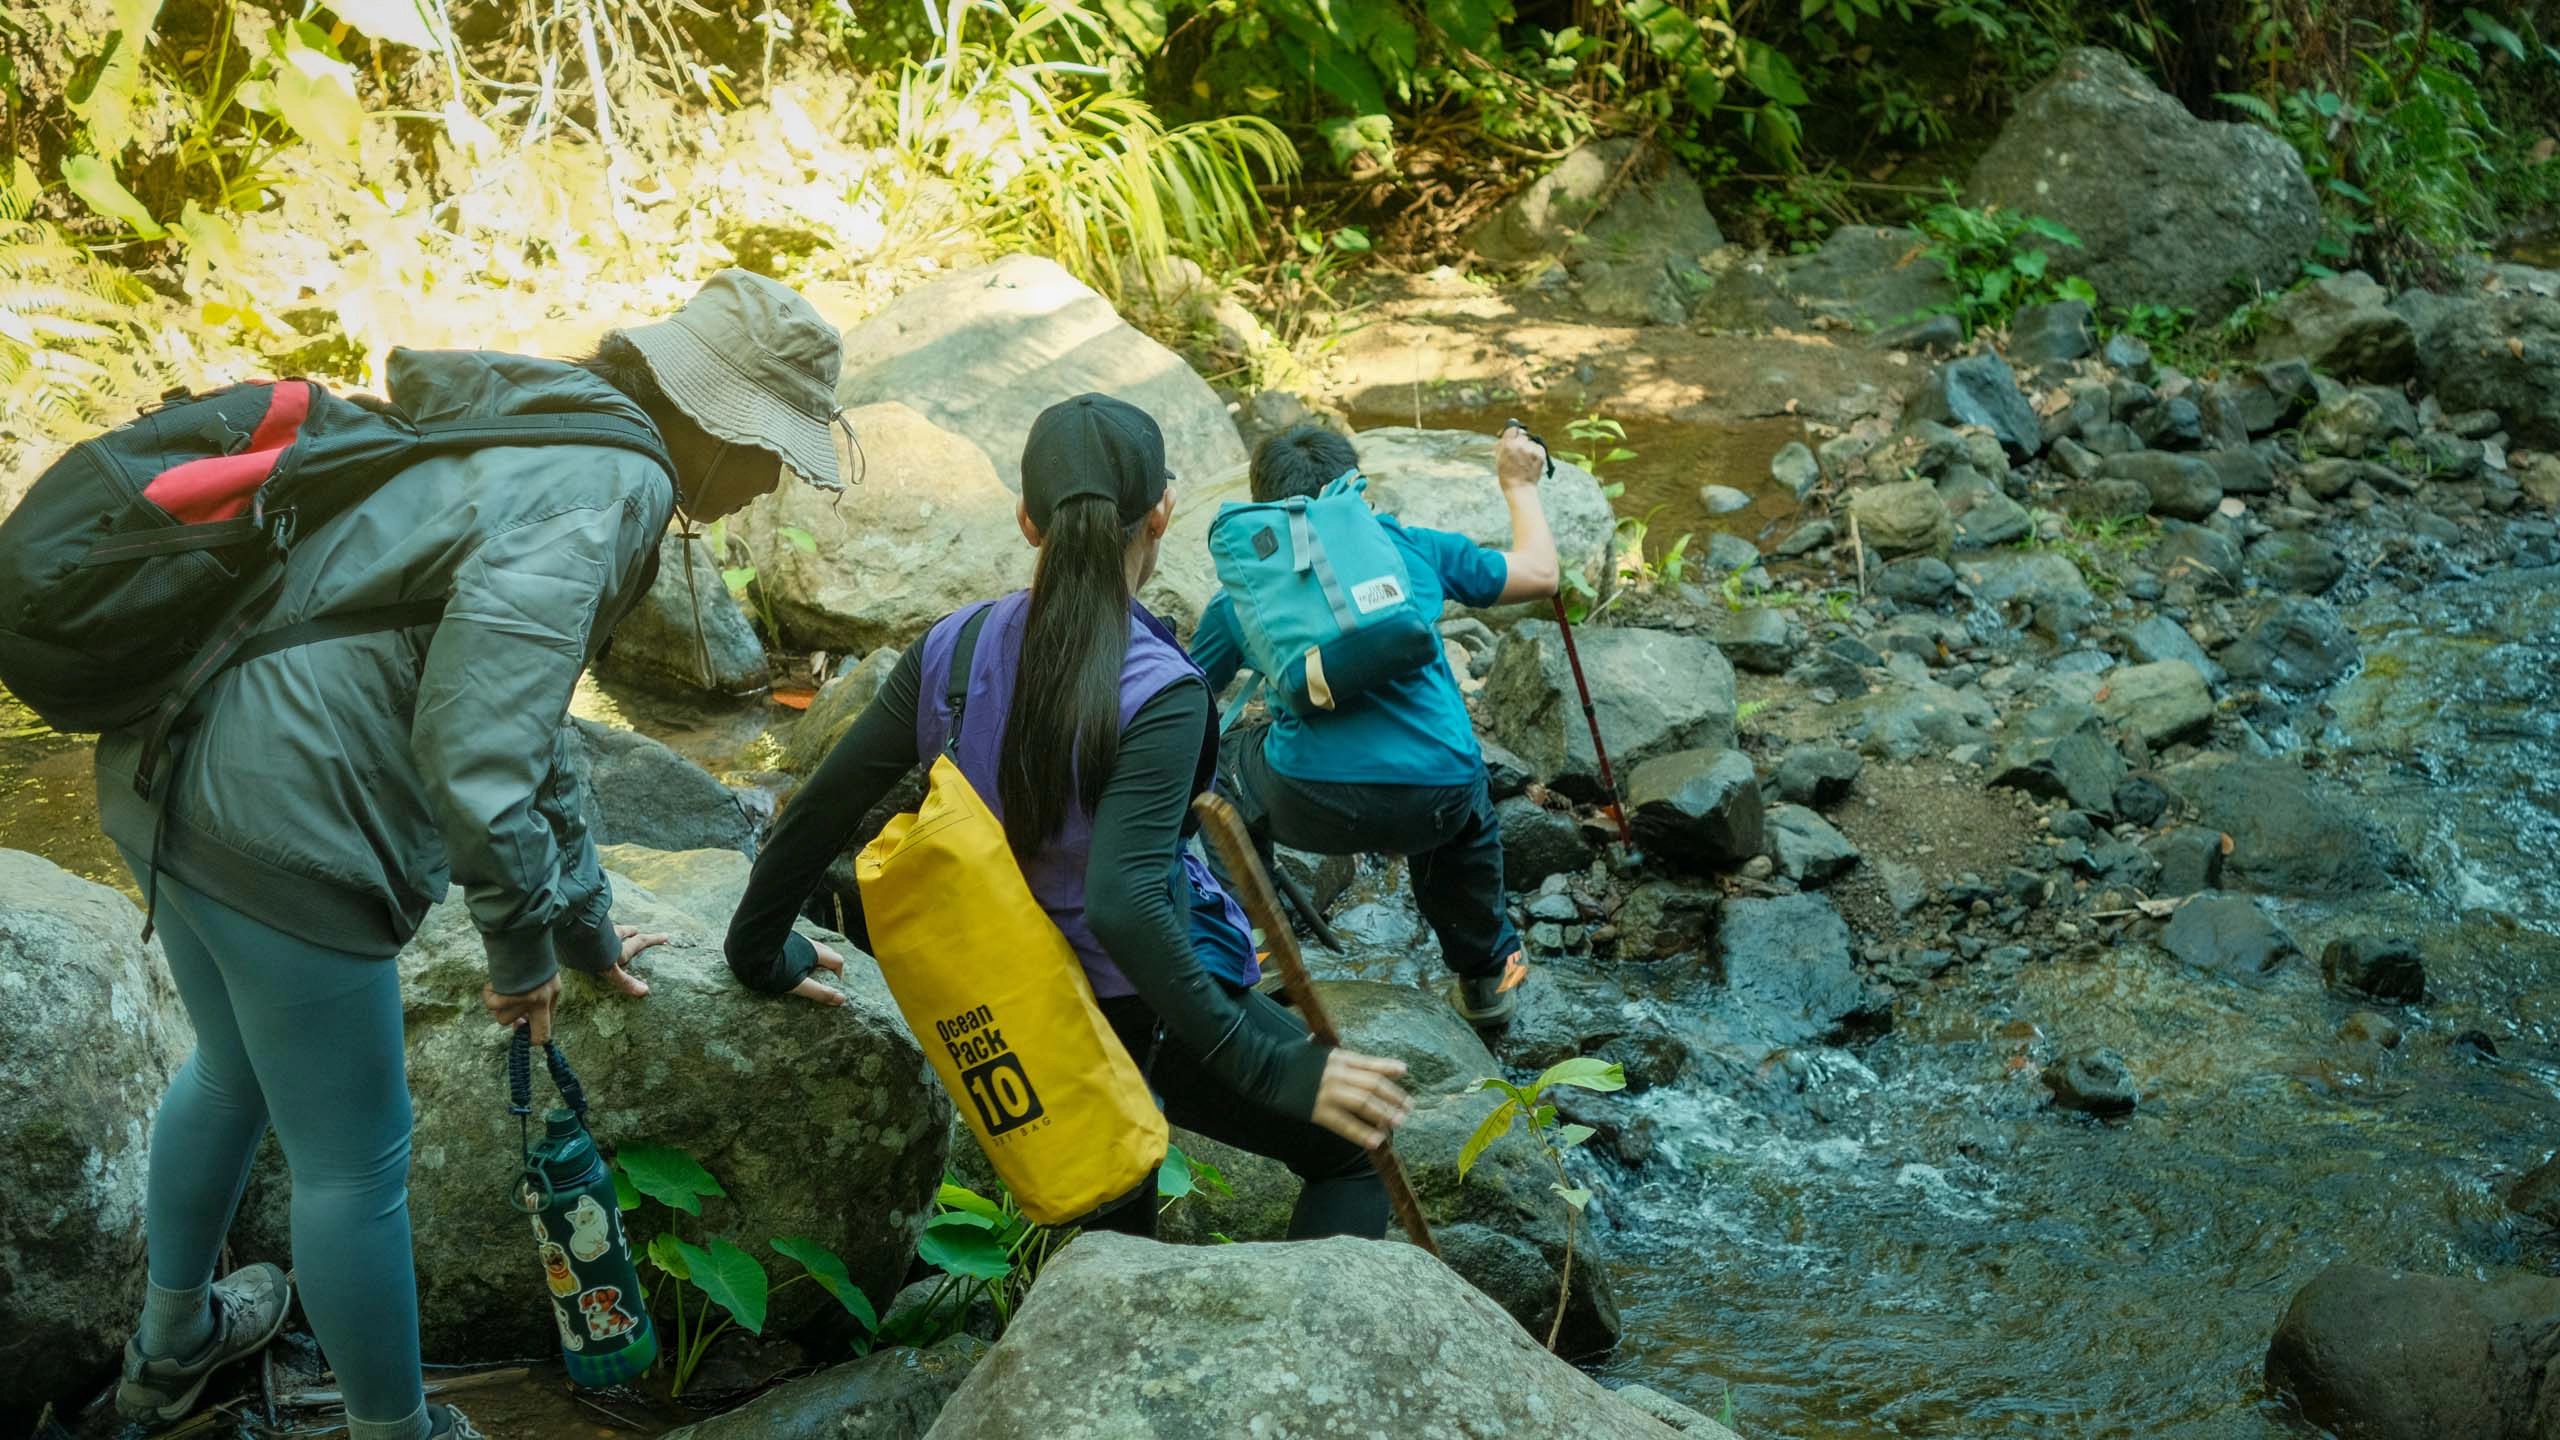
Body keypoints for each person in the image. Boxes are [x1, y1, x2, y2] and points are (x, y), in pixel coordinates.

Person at [91, 270, 848, 1440]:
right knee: (358, 1165)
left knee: (231, 1070)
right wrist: (519, 947)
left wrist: (583, 916)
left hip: (168, 764)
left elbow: (525, 721)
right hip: (286, 816)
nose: (770, 486)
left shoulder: (543, 418)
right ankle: (397, 1430)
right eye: (777, 453)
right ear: (720, 423)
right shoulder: (614, 487)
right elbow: (480, 746)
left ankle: (169, 1348)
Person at [724, 392, 1413, 1239]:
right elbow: (1122, 900)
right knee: (1356, 1150)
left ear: (1025, 520)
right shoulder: (1160, 691)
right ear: (1161, 514)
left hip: (1015, 1002)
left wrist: (757, 947)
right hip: (1136, 1010)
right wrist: (1272, 1067)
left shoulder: (954, 646)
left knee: (1110, 1223)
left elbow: (823, 806)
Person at [1190, 422, 1561, 1029]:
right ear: (1358, 493)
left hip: (1308, 799)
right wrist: (1518, 485)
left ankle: (1256, 947)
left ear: (1265, 510)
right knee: (1464, 786)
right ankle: (1486, 974)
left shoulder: (1241, 601)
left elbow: (1184, 698)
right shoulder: (1411, 547)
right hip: (1434, 800)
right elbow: (1541, 575)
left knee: (1223, 764)